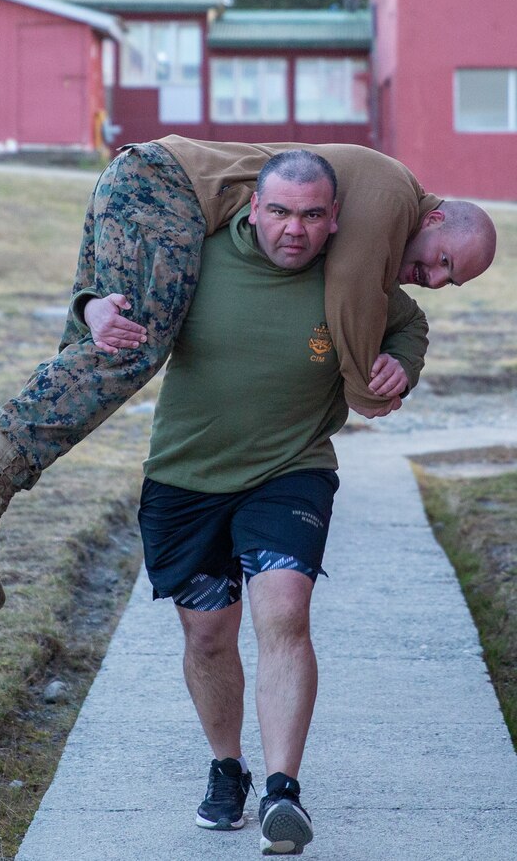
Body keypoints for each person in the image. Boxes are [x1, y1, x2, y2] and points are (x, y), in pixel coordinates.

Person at [0, 138, 496, 610]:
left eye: (454, 280)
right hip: (163, 188)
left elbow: (385, 307)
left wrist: (403, 362)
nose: (438, 279)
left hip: (144, 180)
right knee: (134, 343)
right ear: (436, 217)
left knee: (105, 333)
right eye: (445, 260)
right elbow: (353, 302)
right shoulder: (392, 196)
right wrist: (366, 391)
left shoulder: (386, 201)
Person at [136, 150, 428, 855]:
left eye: (311, 215)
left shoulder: (352, 276)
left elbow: (407, 325)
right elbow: (119, 297)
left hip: (290, 471)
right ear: (253, 209)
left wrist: (401, 365)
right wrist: (98, 308)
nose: (293, 230)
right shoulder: (198, 255)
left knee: (285, 613)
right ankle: (227, 767)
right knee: (208, 635)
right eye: (280, 212)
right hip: (186, 476)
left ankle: (281, 792)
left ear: (334, 220)